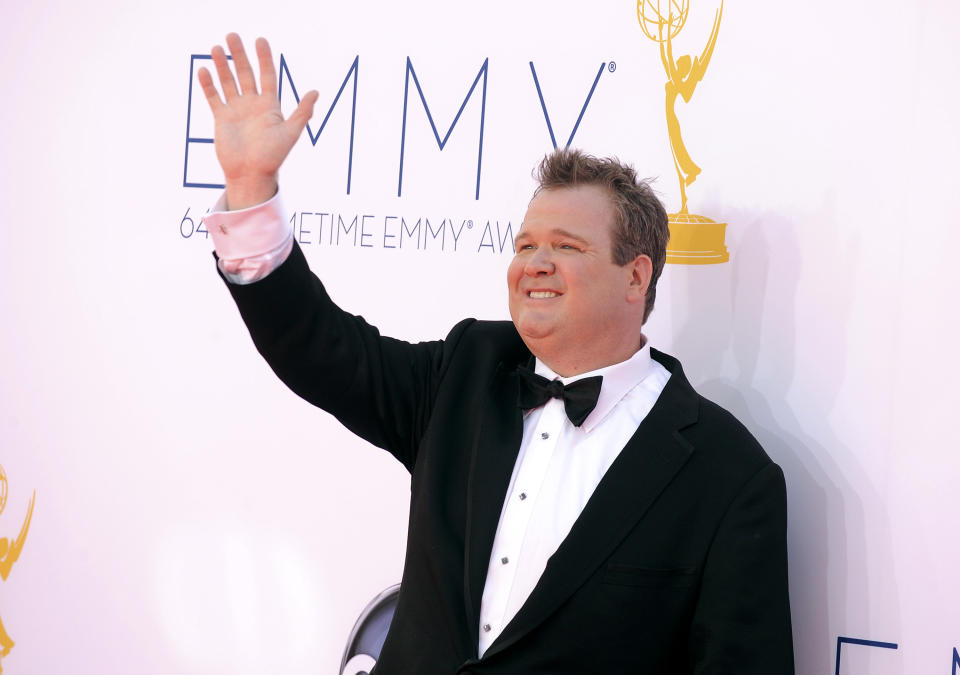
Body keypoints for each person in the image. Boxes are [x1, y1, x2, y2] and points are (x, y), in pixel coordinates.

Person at [199, 33, 794, 674]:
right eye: (524, 244)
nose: (534, 263)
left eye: (566, 246)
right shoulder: (464, 372)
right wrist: (254, 190)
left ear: (636, 277)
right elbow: (317, 345)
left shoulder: (727, 475)